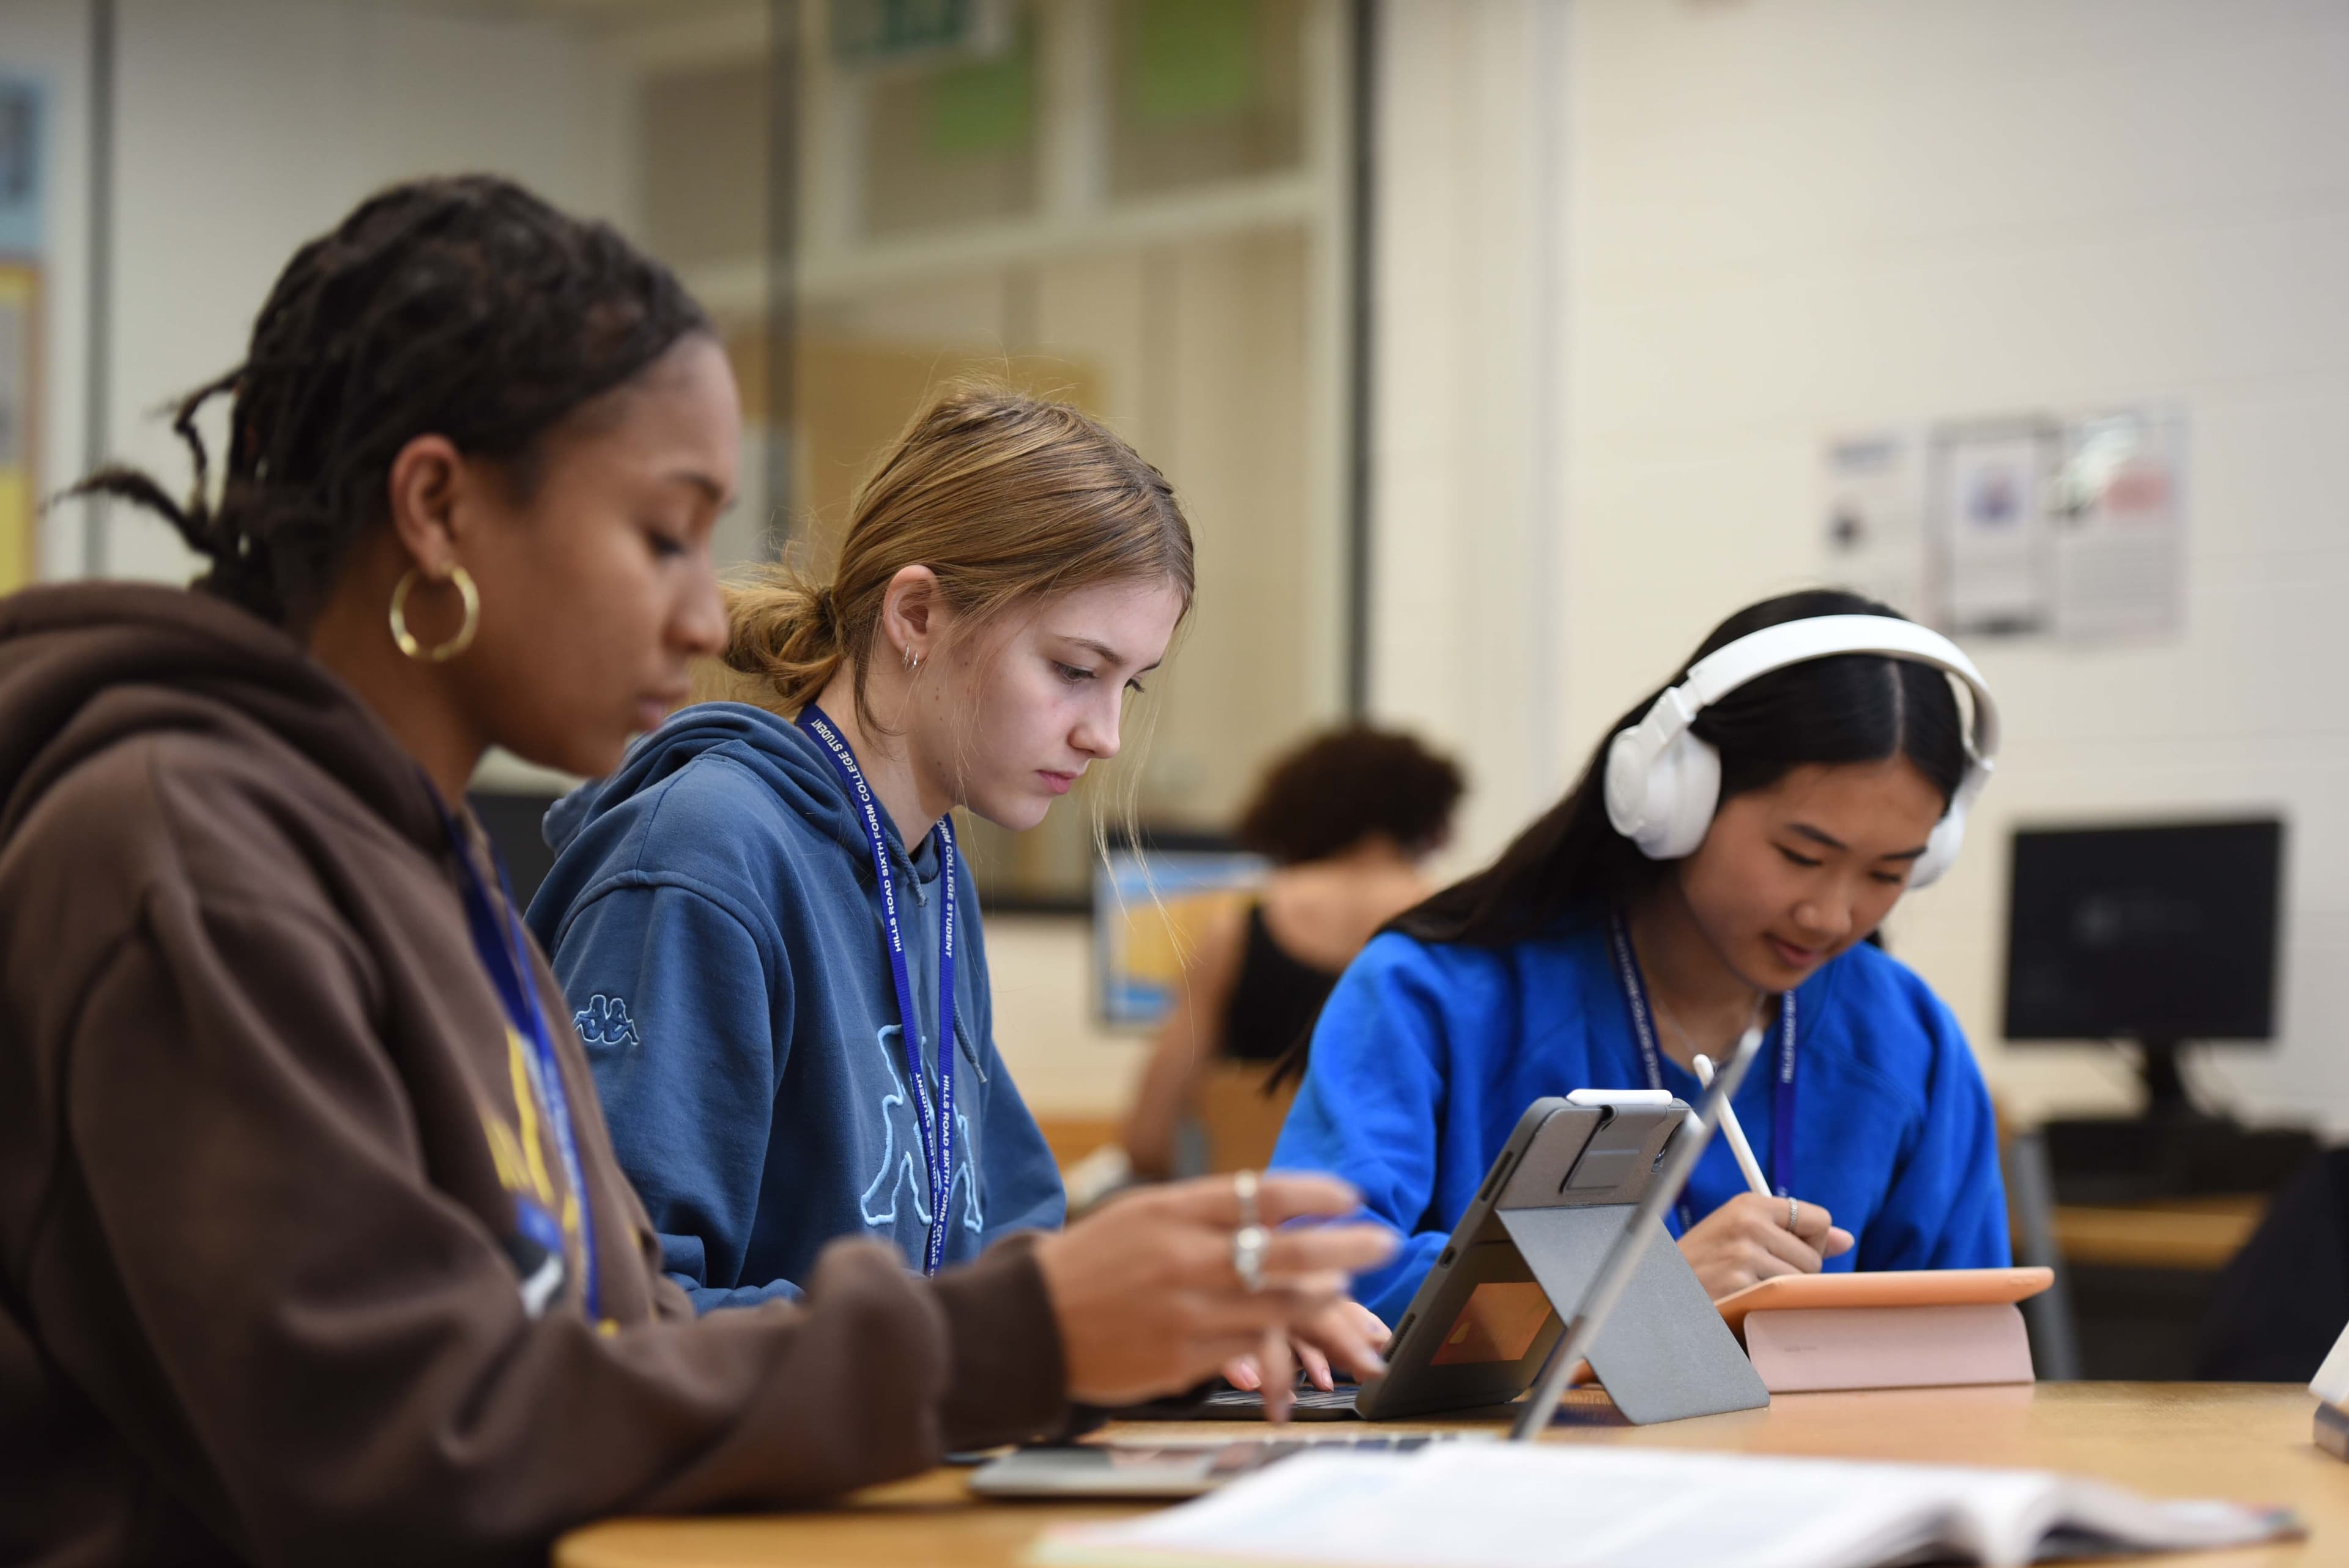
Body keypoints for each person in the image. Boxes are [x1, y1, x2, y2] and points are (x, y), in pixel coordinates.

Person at [0, 175, 1392, 1566]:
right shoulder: (187, 853)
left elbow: (609, 1335)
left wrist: (1118, 1325)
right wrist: (1015, 1340)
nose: (698, 605)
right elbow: (405, 1439)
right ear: (436, 507)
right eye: (661, 536)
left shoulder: (413, 853)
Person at [524, 388, 1184, 1306]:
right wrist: (966, 1345)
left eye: (1130, 687)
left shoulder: (927, 869)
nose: (1104, 734)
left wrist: (1173, 1317)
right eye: (1075, 671)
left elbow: (1003, 1257)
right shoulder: (702, 856)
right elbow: (616, 1311)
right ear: (916, 615)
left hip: (904, 1438)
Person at [1271, 589, 2011, 1323]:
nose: (1832, 915)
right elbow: (1312, 1271)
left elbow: (1962, 1333)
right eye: (1800, 854)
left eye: (1888, 874)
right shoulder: (1434, 994)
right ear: (1674, 794)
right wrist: (1630, 1286)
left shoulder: (1907, 1037)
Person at [1121, 726, 1464, 1182]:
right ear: (1427, 817)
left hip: (1263, 1220)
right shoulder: (1460, 928)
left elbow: (1148, 1136)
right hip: (1409, 1227)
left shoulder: (1237, 930)